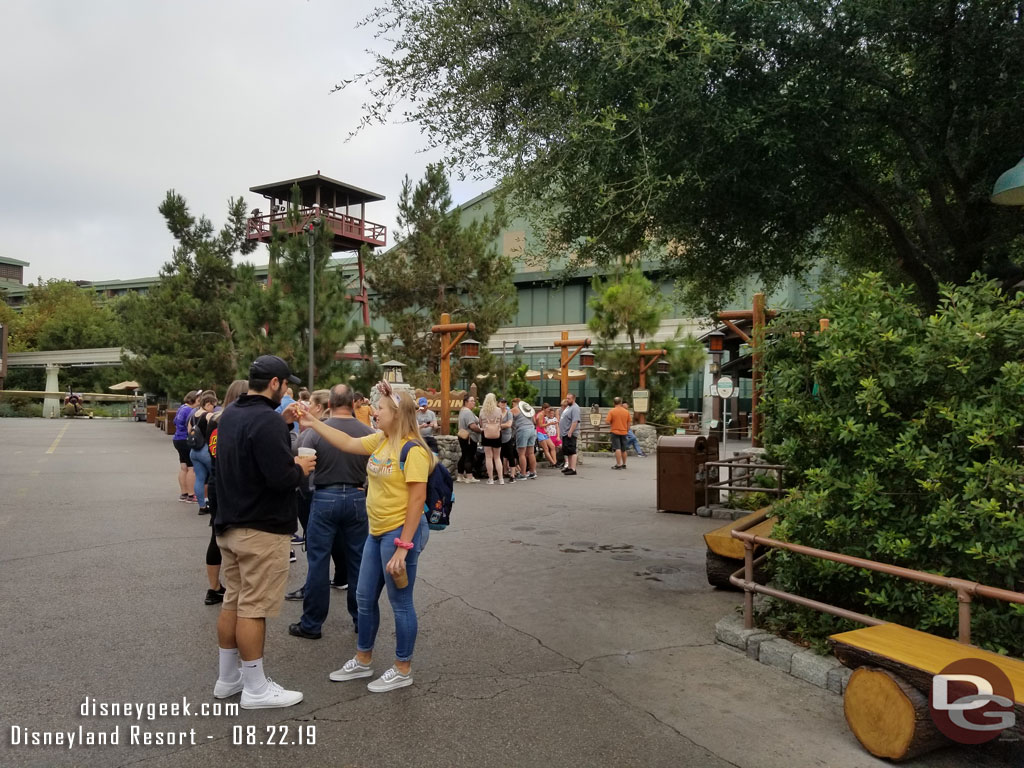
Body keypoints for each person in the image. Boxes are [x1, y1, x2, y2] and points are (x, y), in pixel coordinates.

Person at [297, 379, 432, 694]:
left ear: (397, 415)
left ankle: (402, 667)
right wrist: (314, 422)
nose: (375, 413)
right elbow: (345, 442)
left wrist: (403, 547)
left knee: (400, 602)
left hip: (399, 534)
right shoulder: (382, 441)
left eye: (381, 409)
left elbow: (416, 501)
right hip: (376, 530)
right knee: (363, 596)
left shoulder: (413, 449)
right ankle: (363, 659)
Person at [212, 355, 315, 709]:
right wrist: (300, 467)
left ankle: (228, 678)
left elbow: (250, 452)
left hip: (228, 524)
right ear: (275, 384)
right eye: (286, 384)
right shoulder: (266, 422)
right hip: (262, 528)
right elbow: (280, 478)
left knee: (233, 601)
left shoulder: (231, 416)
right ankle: (256, 687)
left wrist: (279, 422)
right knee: (253, 608)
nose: (287, 390)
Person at [288, 384, 374, 640]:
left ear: (330, 404)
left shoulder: (315, 432)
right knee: (358, 561)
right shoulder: (367, 431)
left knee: (318, 561)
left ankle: (312, 623)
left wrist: (306, 493)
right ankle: (361, 619)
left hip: (325, 495)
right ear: (354, 403)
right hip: (358, 496)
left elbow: (300, 462)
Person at [203, 379, 248, 605]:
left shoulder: (214, 421)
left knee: (216, 534)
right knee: (242, 533)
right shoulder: (242, 422)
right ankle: (238, 584)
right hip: (236, 483)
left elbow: (211, 449)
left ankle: (213, 587)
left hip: (215, 480)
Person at [189, 391, 218, 513]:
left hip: (194, 451)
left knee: (200, 478)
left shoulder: (193, 416)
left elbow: (189, 431)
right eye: (213, 405)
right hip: (206, 450)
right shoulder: (208, 415)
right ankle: (214, 503)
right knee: (215, 477)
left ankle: (202, 506)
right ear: (208, 404)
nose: (214, 408)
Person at [173, 391, 199, 502]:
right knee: (191, 468)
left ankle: (184, 493)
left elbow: (175, 421)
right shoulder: (190, 410)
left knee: (184, 467)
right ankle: (191, 494)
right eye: (198, 400)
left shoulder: (181, 408)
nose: (199, 402)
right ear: (193, 400)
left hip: (177, 439)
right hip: (186, 439)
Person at [477, 393, 504, 485]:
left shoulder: (483, 410)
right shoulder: (498, 410)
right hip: (497, 433)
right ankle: (501, 479)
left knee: (488, 457)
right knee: (497, 457)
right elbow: (500, 421)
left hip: (486, 434)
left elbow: (480, 423)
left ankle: (491, 479)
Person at [456, 395, 480, 483]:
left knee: (464, 455)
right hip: (470, 437)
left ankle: (460, 475)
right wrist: (480, 430)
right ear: (466, 402)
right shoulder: (468, 412)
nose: (474, 402)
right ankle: (469, 476)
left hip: (462, 436)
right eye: (472, 401)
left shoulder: (462, 411)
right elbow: (472, 426)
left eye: (474, 401)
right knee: (469, 456)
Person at [513, 399, 537, 478]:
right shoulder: (527, 409)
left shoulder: (515, 409)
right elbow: (534, 421)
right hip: (532, 429)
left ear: (515, 403)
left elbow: (507, 417)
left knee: (521, 454)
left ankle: (523, 474)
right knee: (531, 453)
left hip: (522, 430)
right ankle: (532, 472)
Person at [606, 396, 632, 470]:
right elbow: (629, 422)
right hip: (624, 432)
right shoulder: (626, 412)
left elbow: (607, 421)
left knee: (617, 448)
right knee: (623, 449)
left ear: (613, 403)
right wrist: (627, 430)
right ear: (621, 402)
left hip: (615, 431)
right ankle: (624, 464)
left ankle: (618, 464)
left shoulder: (612, 411)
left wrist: (612, 423)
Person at [559, 393, 581, 476]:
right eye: (567, 398)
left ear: (573, 399)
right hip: (564, 432)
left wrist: (570, 431)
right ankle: (569, 467)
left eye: (569, 399)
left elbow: (575, 421)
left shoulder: (575, 408)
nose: (567, 400)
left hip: (570, 433)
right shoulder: (568, 407)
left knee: (572, 450)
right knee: (567, 451)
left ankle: (573, 468)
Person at [498, 397, 517, 482]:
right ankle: (500, 474)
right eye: (502, 402)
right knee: (499, 456)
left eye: (505, 402)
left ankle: (512, 475)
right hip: (498, 436)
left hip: (508, 437)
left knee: (510, 455)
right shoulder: (497, 413)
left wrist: (498, 425)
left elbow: (509, 424)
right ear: (498, 403)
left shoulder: (509, 413)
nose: (503, 404)